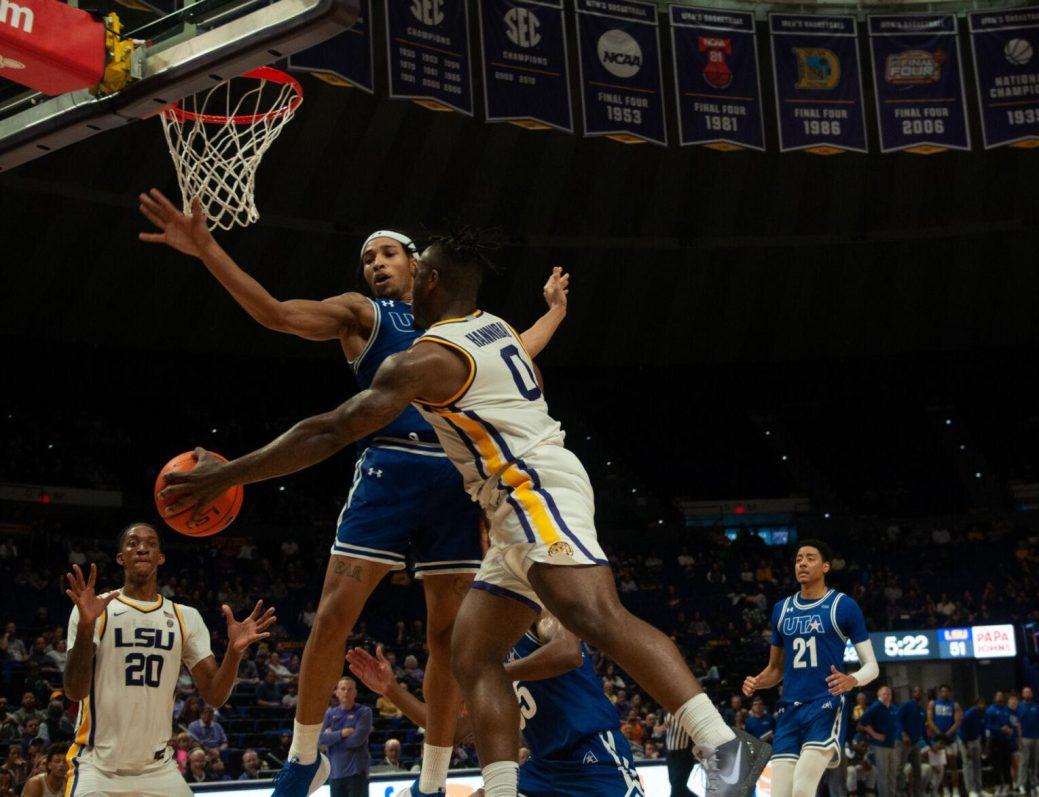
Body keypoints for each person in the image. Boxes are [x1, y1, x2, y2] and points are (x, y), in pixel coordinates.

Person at [158, 228, 768, 797]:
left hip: (530, 486)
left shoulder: (429, 359)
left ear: (429, 282)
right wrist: (554, 312)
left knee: (595, 614)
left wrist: (229, 473)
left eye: (409, 265)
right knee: (472, 656)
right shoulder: (490, 325)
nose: (389, 271)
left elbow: (333, 429)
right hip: (506, 505)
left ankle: (725, 747)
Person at [139, 190, 569, 797]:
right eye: (369, 259)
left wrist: (554, 312)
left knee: (446, 635)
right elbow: (275, 313)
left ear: (422, 267)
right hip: (388, 466)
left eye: (388, 254)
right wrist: (208, 249)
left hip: (454, 477)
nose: (375, 264)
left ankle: (434, 778)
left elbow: (517, 351)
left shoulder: (461, 327)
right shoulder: (363, 313)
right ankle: (303, 757)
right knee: (335, 613)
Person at [61, 523, 275, 797]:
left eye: (151, 543)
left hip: (157, 768)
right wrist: (87, 627)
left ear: (160, 557)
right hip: (98, 767)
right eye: (133, 543)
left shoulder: (186, 617)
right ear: (120, 557)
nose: (142, 548)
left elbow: (215, 695)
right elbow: (74, 691)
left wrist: (234, 653)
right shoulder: (94, 609)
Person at [348, 611, 643, 797]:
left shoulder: (539, 612)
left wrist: (494, 676)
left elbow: (568, 653)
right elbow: (449, 731)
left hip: (592, 753)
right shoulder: (481, 651)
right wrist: (391, 689)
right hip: (544, 767)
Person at [741, 541, 879, 797]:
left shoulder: (844, 605)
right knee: (779, 794)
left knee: (802, 789)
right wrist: (758, 682)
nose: (802, 563)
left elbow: (872, 666)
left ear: (825, 566)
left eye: (810, 558)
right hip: (789, 709)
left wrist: (852, 680)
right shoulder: (781, 610)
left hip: (824, 705)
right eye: (798, 559)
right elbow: (776, 669)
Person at [319, 678, 372, 797]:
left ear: (355, 692)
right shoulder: (329, 714)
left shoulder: (364, 712)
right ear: (336, 692)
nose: (346, 692)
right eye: (342, 689)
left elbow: (356, 740)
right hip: (335, 774)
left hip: (357, 773)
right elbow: (320, 739)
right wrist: (341, 733)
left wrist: (331, 737)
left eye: (350, 689)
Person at [857, 687, 897, 797]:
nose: (887, 695)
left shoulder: (892, 707)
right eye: (884, 693)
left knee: (892, 774)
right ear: (879, 695)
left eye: (889, 693)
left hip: (892, 744)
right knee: (883, 775)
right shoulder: (876, 706)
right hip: (880, 745)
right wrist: (875, 734)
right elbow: (862, 722)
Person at [925, 686, 962, 797]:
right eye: (942, 691)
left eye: (946, 691)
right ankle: (945, 790)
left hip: (950, 739)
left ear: (949, 693)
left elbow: (958, 721)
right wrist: (939, 733)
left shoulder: (954, 705)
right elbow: (929, 720)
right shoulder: (933, 704)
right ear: (939, 693)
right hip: (937, 739)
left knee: (953, 765)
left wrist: (947, 734)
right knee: (941, 767)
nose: (944, 693)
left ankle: (955, 790)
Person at [896, 687, 926, 797]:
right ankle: (898, 792)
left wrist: (928, 743)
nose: (918, 693)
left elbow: (923, 728)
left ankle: (917, 793)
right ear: (913, 693)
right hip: (903, 742)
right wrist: (903, 734)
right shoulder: (907, 705)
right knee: (900, 768)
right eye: (915, 691)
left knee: (918, 769)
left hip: (916, 743)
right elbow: (898, 719)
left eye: (919, 691)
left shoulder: (922, 709)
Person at [1016, 688, 1039, 795]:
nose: (1027, 694)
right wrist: (1019, 739)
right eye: (1025, 692)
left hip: (1036, 737)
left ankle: (1035, 784)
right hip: (1025, 738)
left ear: (1032, 694)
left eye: (1029, 692)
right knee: (1024, 762)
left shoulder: (1036, 706)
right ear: (1022, 694)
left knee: (1035, 762)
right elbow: (1017, 724)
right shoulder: (1019, 707)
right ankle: (1021, 785)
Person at [986, 692, 1014, 794]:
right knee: (997, 765)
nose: (1000, 698)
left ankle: (1007, 785)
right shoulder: (990, 710)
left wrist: (1011, 730)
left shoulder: (1007, 710)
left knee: (1007, 764)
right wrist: (1000, 729)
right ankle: (998, 785)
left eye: (1002, 696)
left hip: (1006, 741)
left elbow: (1012, 723)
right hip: (995, 741)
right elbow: (988, 726)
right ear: (994, 698)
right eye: (998, 696)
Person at [663, 712, 697, 797]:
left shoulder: (689, 715)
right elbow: (656, 729)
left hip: (684, 755)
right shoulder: (666, 713)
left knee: (677, 787)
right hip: (670, 755)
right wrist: (662, 727)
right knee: (678, 786)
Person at [960, 697, 986, 797]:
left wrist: (983, 745)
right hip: (965, 740)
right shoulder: (969, 714)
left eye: (983, 704)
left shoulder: (983, 714)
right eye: (980, 704)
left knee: (977, 765)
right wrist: (966, 748)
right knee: (968, 765)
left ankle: (979, 789)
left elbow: (983, 730)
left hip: (976, 739)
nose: (982, 706)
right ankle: (970, 790)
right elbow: (963, 731)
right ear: (975, 705)